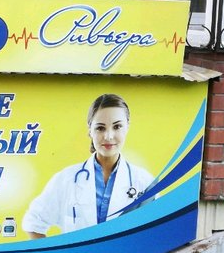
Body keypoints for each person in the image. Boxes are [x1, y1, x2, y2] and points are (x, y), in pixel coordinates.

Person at [23, 93, 154, 238]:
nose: (108, 136)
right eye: (100, 128)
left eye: (117, 126)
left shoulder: (144, 182)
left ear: (127, 127)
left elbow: (155, 233)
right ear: (90, 130)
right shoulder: (66, 179)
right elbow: (33, 222)